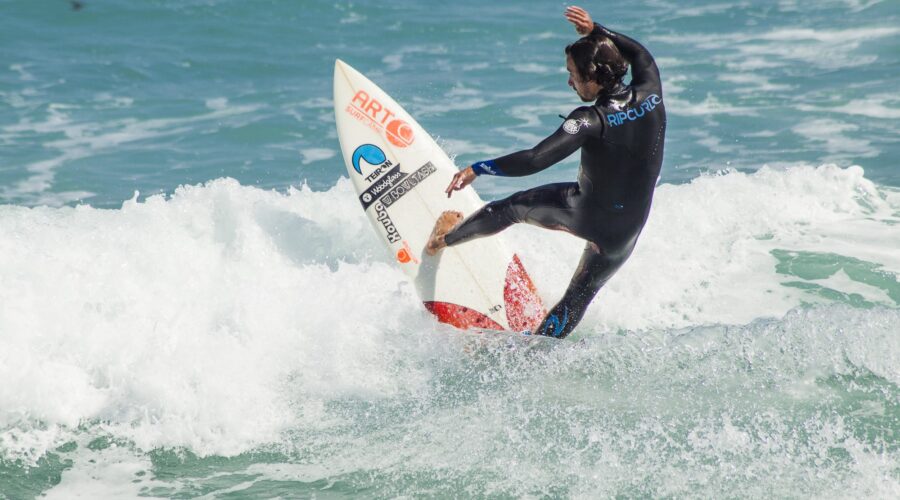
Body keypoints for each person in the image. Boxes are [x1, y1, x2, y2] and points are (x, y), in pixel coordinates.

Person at [426, 6, 666, 338]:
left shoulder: (590, 120)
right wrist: (598, 30)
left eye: (573, 74)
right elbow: (639, 52)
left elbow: (535, 159)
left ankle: (444, 239)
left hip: (586, 212)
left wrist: (479, 168)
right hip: (626, 231)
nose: (569, 81)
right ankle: (538, 356)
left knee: (512, 207)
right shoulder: (651, 88)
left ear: (594, 77)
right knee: (577, 298)